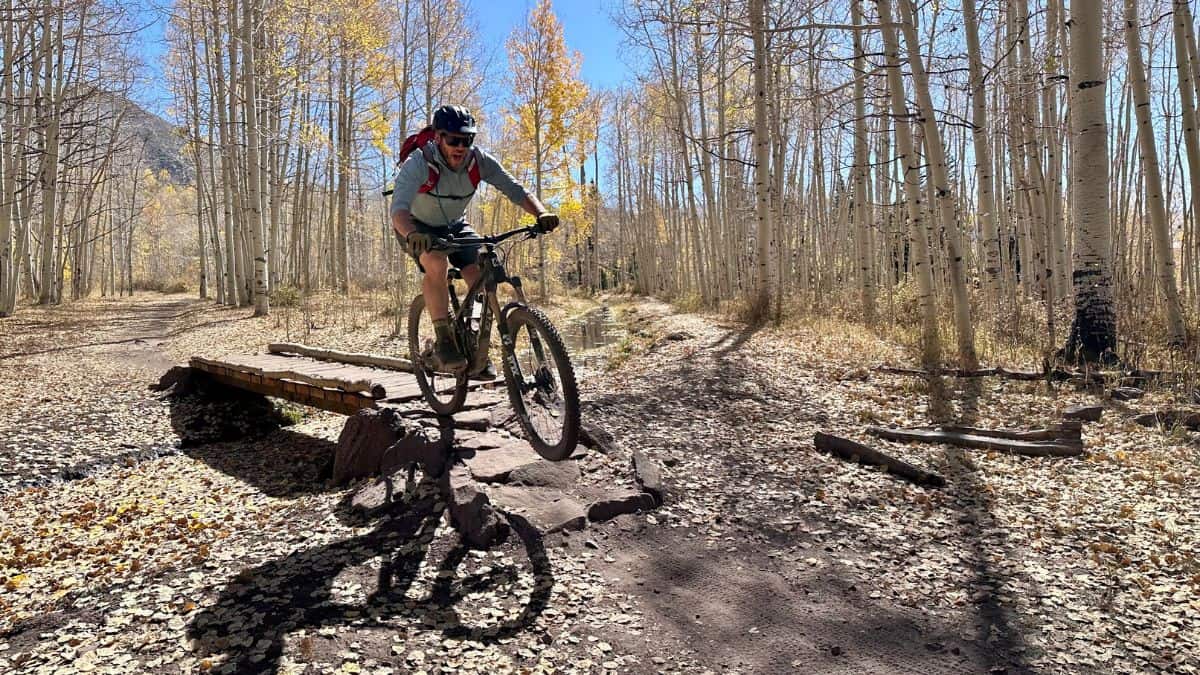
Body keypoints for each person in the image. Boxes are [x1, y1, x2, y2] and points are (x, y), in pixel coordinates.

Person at [389, 104, 559, 377]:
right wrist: (412, 234)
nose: (460, 146)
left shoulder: (479, 161)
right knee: (436, 262)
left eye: (466, 140)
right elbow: (397, 211)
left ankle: (473, 341)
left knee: (479, 271)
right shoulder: (420, 162)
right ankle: (444, 339)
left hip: (454, 224)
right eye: (453, 140)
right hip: (416, 226)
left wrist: (541, 212)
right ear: (438, 137)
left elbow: (515, 189)